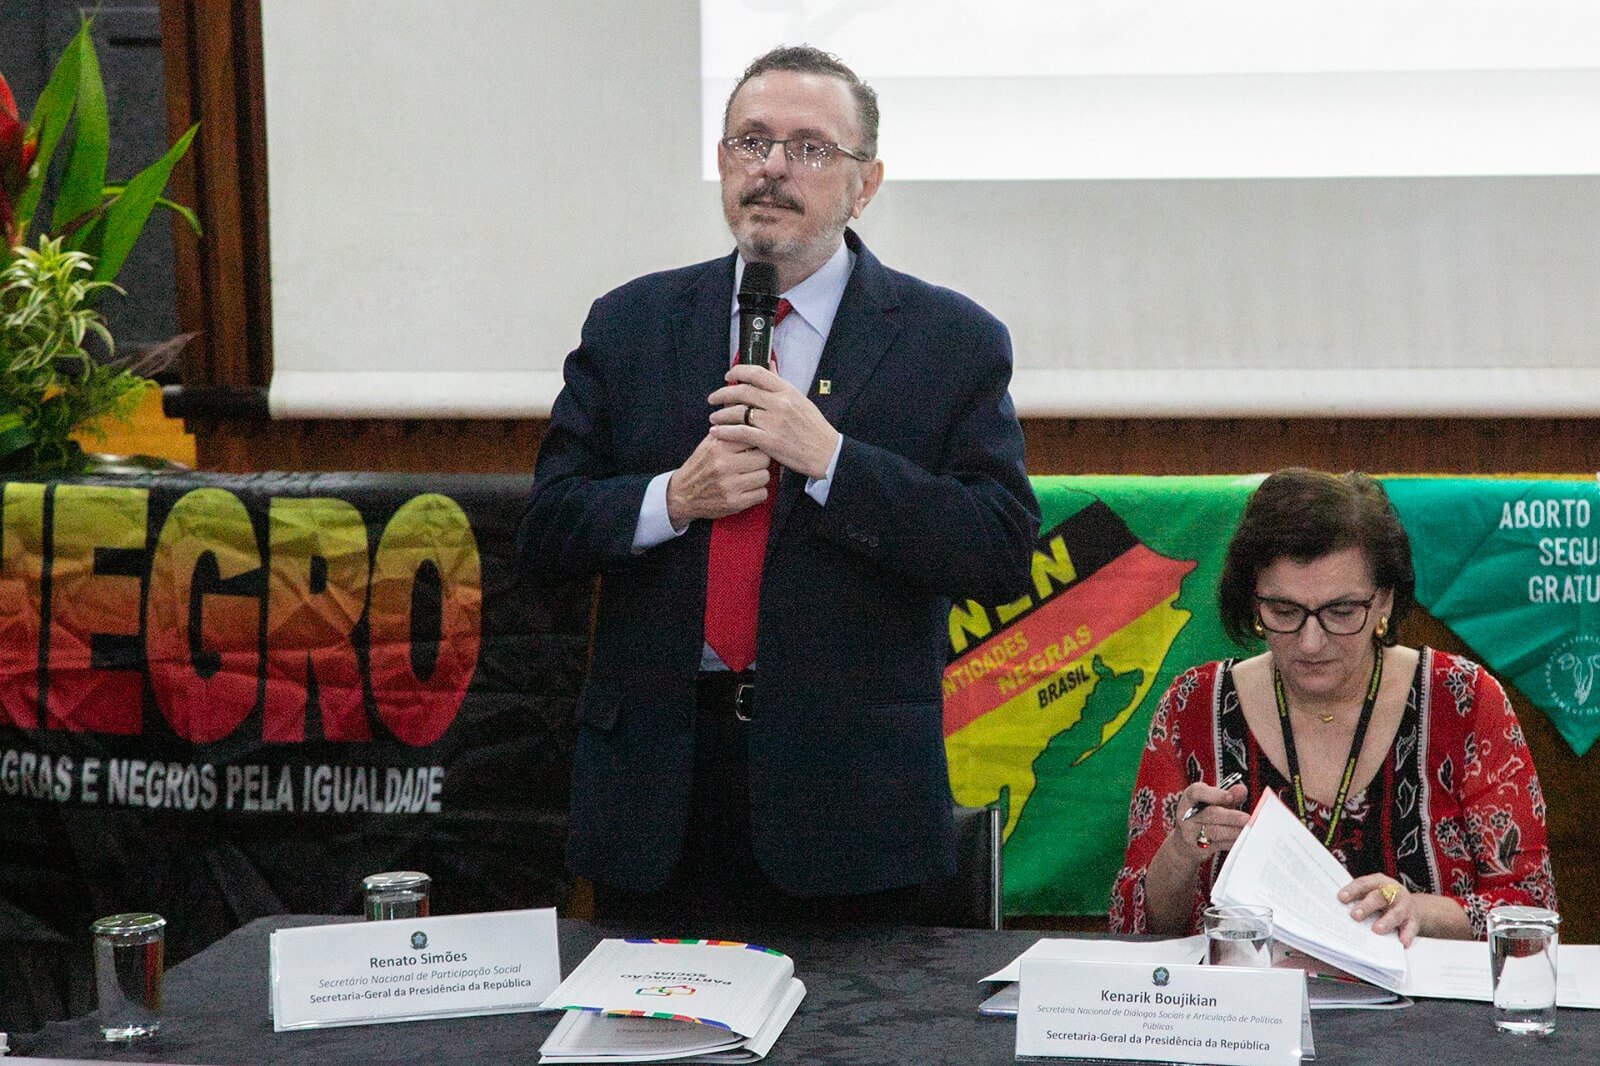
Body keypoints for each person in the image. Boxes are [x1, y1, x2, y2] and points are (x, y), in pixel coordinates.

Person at [518, 45, 1038, 921]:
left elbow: (997, 548)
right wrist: (671, 500)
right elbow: (545, 534)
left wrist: (833, 461)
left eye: (810, 148)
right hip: (657, 800)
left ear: (866, 184)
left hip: (852, 809)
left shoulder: (950, 340)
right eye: (752, 142)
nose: (772, 168)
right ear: (723, 162)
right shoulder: (631, 323)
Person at [1110, 469, 1554, 944]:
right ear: (1253, 603)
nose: (1311, 641)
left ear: (1384, 602)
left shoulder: (1462, 698)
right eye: (1284, 612)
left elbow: (1530, 909)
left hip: (1424, 990)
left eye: (1341, 612)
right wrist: (1182, 853)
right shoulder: (1192, 706)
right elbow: (1137, 929)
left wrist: (1417, 911)